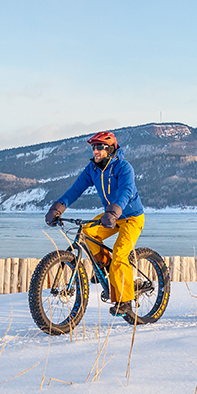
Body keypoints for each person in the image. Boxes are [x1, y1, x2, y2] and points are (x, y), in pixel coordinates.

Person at [44, 131, 145, 316]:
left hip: (131, 216)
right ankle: (105, 264)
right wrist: (57, 208)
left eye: (99, 147)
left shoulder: (124, 167)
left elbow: (126, 192)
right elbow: (75, 190)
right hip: (110, 215)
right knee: (87, 233)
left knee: (121, 254)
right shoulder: (93, 169)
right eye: (94, 147)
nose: (95, 151)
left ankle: (124, 301)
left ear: (110, 149)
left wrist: (113, 212)